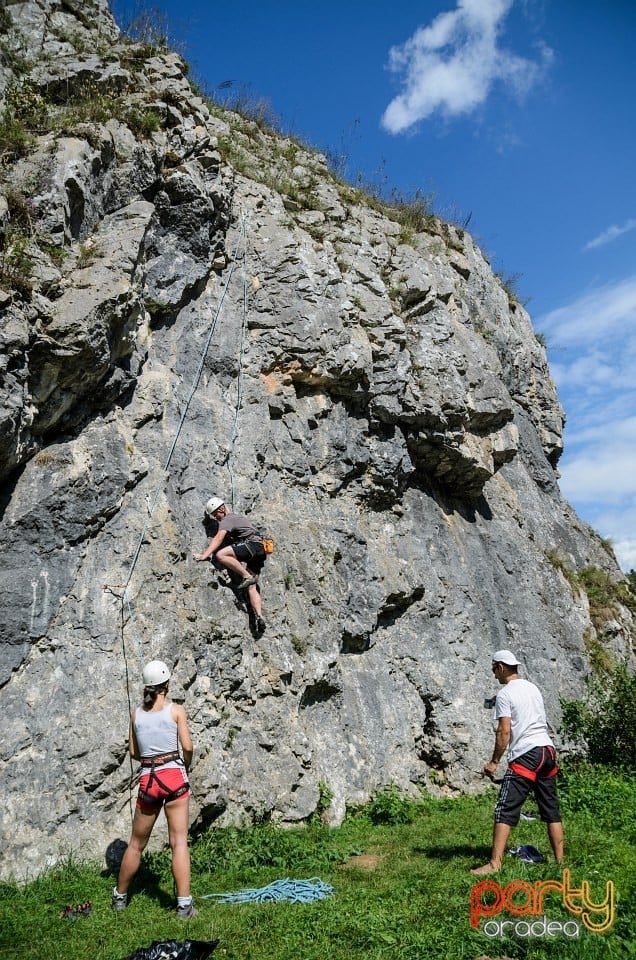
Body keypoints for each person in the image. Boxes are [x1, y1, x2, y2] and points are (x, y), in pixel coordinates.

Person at [112, 660, 198, 919]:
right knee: (179, 842)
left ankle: (120, 897)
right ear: (166, 684)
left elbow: (133, 752)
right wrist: (184, 764)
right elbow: (189, 747)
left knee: (136, 844)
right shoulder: (176, 711)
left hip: (149, 778)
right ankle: (184, 905)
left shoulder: (136, 714)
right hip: (174, 777)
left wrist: (151, 760)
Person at [470, 649, 564, 875]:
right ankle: (560, 864)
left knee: (505, 809)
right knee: (551, 810)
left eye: (494, 669)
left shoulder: (505, 694)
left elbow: (504, 731)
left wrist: (494, 762)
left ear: (501, 667)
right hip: (547, 751)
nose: (494, 675)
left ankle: (494, 864)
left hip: (526, 754)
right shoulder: (532, 688)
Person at [193, 497, 267, 634]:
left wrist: (204, 555)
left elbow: (218, 538)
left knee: (221, 555)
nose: (216, 518)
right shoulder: (236, 518)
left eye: (216, 514)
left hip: (251, 544)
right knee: (252, 587)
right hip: (260, 549)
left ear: (221, 509)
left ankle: (246, 576)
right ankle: (259, 617)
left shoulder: (227, 519)